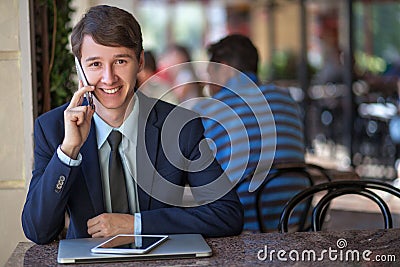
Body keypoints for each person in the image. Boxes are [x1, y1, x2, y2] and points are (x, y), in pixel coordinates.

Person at [21, 5, 243, 245]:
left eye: (120, 61)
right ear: (80, 69)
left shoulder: (180, 125)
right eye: (95, 64)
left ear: (140, 62)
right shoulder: (53, 128)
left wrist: (136, 225)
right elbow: (37, 231)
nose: (108, 78)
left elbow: (227, 214)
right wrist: (68, 152)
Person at [192, 34, 307, 231]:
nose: (208, 85)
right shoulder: (287, 99)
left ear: (224, 66)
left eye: (210, 74)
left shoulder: (209, 109)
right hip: (297, 219)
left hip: (243, 225)